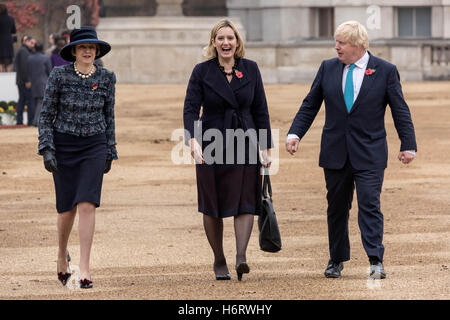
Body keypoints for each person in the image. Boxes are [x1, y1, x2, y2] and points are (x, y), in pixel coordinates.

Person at [286, 21, 417, 279]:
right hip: (335, 152)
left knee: (369, 205)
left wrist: (408, 144)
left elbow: (400, 109)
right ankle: (336, 259)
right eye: (336, 41)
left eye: (341, 42)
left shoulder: (385, 70)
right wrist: (295, 133)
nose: (336, 47)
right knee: (336, 208)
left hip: (370, 152)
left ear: (358, 45)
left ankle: (375, 259)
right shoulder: (328, 68)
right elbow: (310, 104)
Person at [183, 19, 273, 281]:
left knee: (245, 199)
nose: (226, 43)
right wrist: (192, 140)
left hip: (244, 140)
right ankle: (219, 259)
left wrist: (266, 148)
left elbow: (261, 110)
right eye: (220, 38)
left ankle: (241, 257)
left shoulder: (251, 69)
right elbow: (190, 108)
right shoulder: (202, 72)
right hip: (210, 141)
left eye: (230, 38)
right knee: (212, 204)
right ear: (213, 42)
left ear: (237, 42)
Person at [38, 26, 117, 289]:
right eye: (82, 47)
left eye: (91, 47)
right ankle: (61, 254)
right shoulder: (59, 75)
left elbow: (109, 117)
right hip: (64, 145)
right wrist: (47, 148)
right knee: (67, 208)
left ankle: (84, 267)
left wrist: (110, 150)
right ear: (73, 51)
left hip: (94, 145)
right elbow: (46, 115)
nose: (87, 51)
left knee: (87, 202)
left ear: (96, 51)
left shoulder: (107, 78)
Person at [27, 42, 51, 126]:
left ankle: (33, 120)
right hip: (43, 82)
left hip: (32, 82)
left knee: (33, 102)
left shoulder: (29, 58)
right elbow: (49, 71)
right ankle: (36, 121)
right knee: (41, 102)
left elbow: (27, 71)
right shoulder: (45, 58)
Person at [14, 35, 35, 125]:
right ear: (26, 41)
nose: (33, 45)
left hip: (22, 80)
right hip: (24, 81)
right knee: (27, 101)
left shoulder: (24, 51)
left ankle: (20, 121)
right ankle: (29, 121)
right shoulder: (24, 51)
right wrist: (27, 80)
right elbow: (24, 67)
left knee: (22, 100)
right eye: (31, 43)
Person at [0, 3, 16, 72]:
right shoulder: (11, 19)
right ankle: (8, 81)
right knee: (8, 63)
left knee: (0, 63)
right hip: (8, 43)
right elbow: (14, 31)